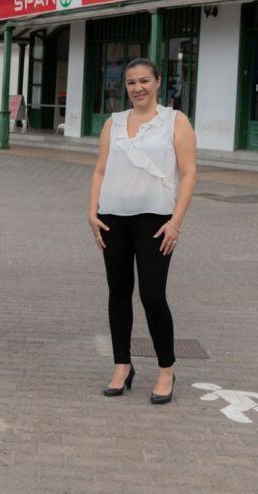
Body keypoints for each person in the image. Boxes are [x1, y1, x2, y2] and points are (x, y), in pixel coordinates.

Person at [88, 57, 196, 404]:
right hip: (113, 217)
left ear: (158, 82)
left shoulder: (175, 122)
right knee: (118, 292)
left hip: (156, 221)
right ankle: (122, 365)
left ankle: (166, 369)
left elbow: (190, 172)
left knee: (152, 295)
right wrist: (92, 212)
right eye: (131, 82)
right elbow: (100, 170)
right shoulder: (114, 123)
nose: (137, 88)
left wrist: (175, 222)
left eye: (144, 81)